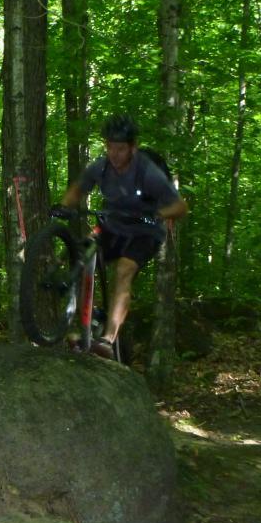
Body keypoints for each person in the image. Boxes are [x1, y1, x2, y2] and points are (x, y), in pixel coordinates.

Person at [51, 114, 188, 359]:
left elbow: (180, 207)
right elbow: (78, 188)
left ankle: (107, 338)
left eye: (121, 148)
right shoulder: (101, 167)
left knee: (124, 270)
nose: (114, 154)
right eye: (110, 147)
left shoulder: (148, 172)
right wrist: (65, 206)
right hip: (113, 226)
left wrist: (157, 214)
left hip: (145, 232)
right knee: (84, 258)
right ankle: (86, 324)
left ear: (132, 148)